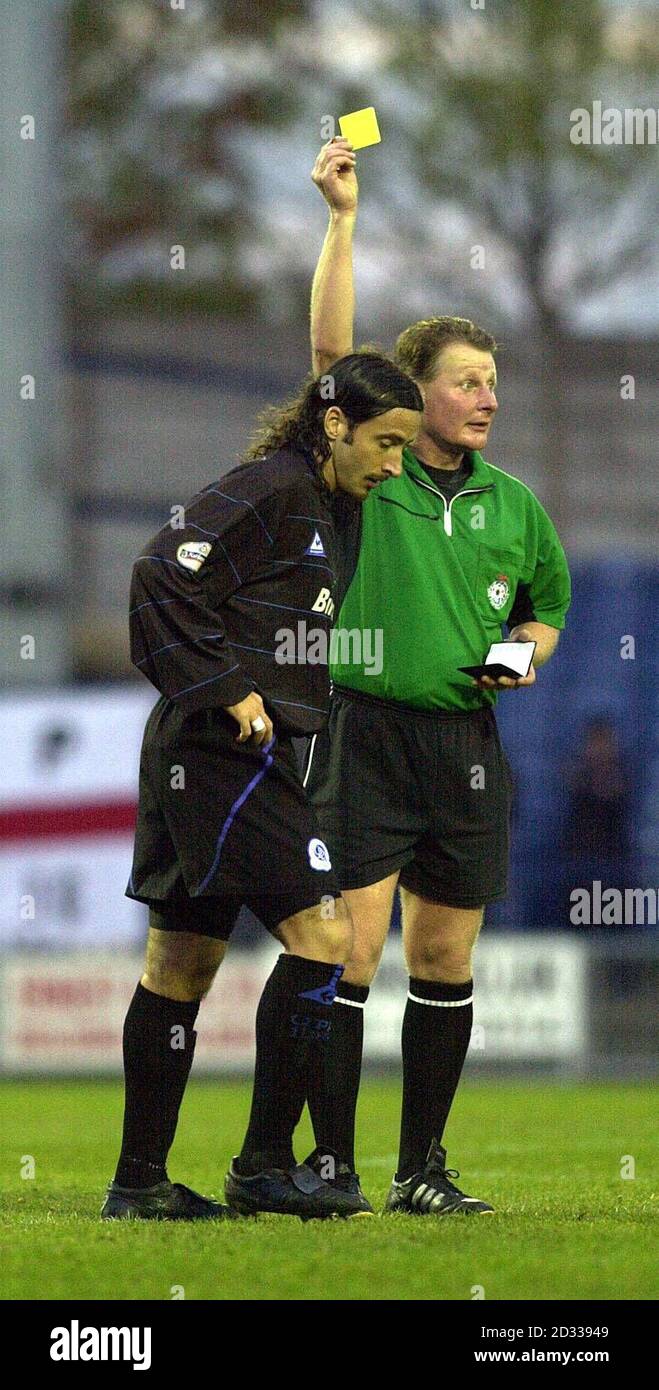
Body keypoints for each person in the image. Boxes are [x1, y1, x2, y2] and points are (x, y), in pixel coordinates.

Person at [303, 137, 572, 1214]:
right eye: (467, 381)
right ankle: (328, 1164)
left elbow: (545, 606)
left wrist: (519, 655)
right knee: (350, 948)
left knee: (446, 954)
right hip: (363, 728)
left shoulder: (513, 504)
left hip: (463, 742)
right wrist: (340, 219)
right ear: (414, 394)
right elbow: (328, 354)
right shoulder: (374, 470)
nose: (486, 397)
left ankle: (422, 1170)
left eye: (492, 383)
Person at [101, 352, 422, 1221]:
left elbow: (274, 631)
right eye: (385, 443)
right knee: (326, 937)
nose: (393, 464)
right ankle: (266, 1166)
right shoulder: (274, 486)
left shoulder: (324, 503)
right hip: (220, 749)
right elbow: (160, 572)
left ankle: (138, 1185)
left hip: (202, 748)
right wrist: (228, 689)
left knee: (179, 964)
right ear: (332, 423)